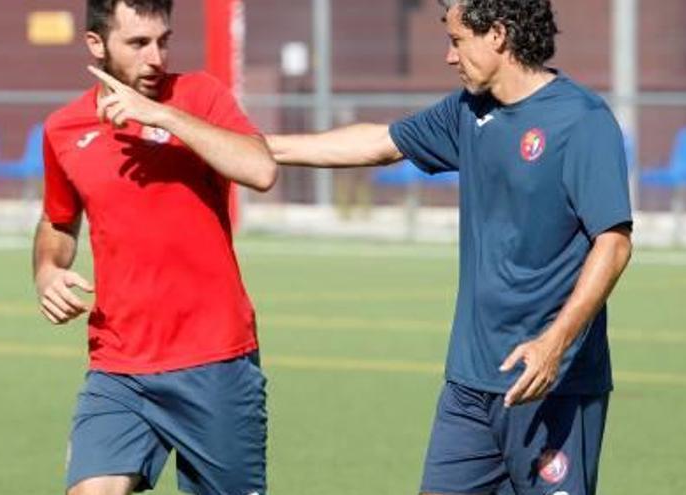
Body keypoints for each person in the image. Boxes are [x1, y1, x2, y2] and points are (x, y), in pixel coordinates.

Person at [267, 1, 633, 494]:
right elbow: (379, 143)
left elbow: (613, 244)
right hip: (470, 385)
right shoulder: (469, 112)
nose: (448, 56)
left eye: (458, 41)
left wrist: (553, 345)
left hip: (552, 383)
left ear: (498, 36)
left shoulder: (581, 120)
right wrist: (257, 147)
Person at [32, 1, 277, 494]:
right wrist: (46, 270)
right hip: (118, 365)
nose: (156, 58)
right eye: (138, 44)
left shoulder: (201, 94)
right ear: (97, 45)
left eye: (163, 41)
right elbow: (58, 222)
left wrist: (161, 115)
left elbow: (260, 170)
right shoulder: (63, 129)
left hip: (214, 360)